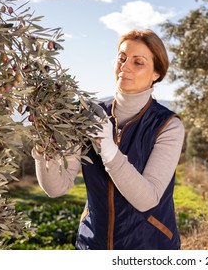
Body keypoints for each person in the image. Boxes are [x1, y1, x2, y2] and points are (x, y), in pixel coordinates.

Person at [32, 29, 185, 249]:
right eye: (122, 58)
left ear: (156, 73)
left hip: (150, 246)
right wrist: (44, 146)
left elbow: (148, 199)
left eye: (138, 62)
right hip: (93, 244)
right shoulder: (88, 116)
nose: (125, 66)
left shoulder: (168, 125)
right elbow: (57, 188)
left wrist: (108, 148)